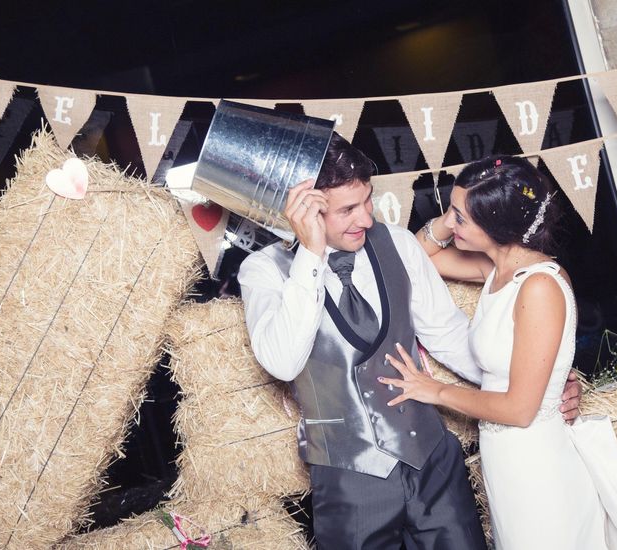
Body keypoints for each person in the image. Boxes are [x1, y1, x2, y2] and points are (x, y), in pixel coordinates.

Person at [238, 135, 582, 549]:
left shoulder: (398, 243)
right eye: (348, 209)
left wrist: (540, 380)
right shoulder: (263, 272)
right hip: (350, 482)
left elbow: (449, 335)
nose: (365, 219)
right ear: (303, 209)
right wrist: (310, 255)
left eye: (368, 201)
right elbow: (282, 362)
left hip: (434, 464)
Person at [380, 155, 617, 549]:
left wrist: (433, 391)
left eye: (462, 218)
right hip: (507, 462)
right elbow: (413, 258)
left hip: (538, 463)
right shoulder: (496, 270)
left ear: (497, 227)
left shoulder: (539, 286)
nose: (453, 224)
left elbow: (520, 409)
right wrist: (451, 217)